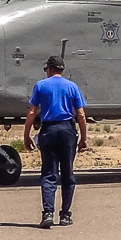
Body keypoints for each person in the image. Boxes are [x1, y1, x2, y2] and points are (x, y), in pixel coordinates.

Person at [23, 56, 87, 229]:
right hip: (67, 131)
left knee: (49, 173)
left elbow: (31, 112)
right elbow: (80, 114)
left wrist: (26, 135)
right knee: (67, 173)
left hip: (49, 130)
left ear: (49, 69)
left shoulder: (41, 86)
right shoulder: (72, 87)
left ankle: (48, 213)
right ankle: (65, 215)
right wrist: (83, 138)